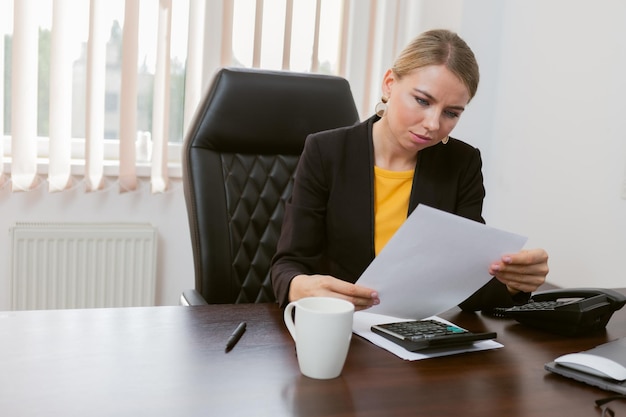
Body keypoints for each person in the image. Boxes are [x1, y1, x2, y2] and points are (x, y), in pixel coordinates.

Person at [270, 29, 549, 311]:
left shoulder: (462, 163)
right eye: (422, 101)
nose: (432, 123)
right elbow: (287, 265)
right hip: (341, 326)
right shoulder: (326, 151)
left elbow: (467, 285)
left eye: (451, 113)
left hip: (416, 332)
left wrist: (515, 283)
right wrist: (298, 286)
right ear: (390, 83)